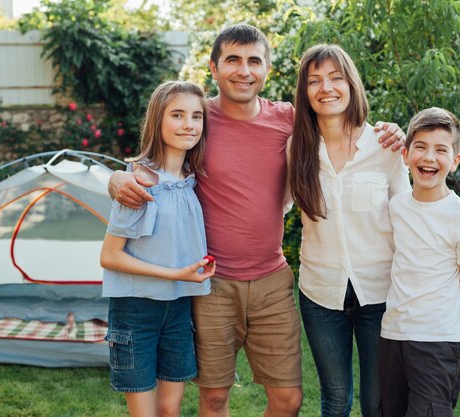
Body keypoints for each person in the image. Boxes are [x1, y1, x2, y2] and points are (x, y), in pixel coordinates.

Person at [108, 24, 405, 417]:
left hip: (271, 280)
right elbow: (160, 156)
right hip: (211, 283)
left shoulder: (290, 119)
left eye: (254, 61)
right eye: (232, 60)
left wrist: (392, 131)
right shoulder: (200, 119)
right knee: (213, 399)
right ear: (214, 67)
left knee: (288, 400)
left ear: (267, 69)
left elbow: (341, 118)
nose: (243, 70)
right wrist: (117, 178)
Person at [288, 44, 411, 417]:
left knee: (377, 403)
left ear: (351, 84)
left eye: (335, 77)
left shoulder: (386, 145)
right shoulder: (297, 150)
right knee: (336, 399)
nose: (326, 87)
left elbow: (409, 216)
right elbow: (270, 208)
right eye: (315, 81)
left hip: (380, 293)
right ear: (305, 93)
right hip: (320, 293)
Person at [100, 80, 216, 417]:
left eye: (196, 116)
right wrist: (174, 274)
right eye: (177, 115)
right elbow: (109, 256)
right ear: (158, 121)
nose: (188, 125)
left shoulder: (191, 181)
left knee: (170, 408)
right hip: (136, 311)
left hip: (178, 309)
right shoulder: (137, 185)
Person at [379, 107, 460, 416]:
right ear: (405, 155)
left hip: (439, 342)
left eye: (440, 150)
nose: (429, 157)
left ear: (455, 161)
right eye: (420, 147)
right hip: (394, 336)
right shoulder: (395, 208)